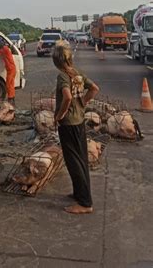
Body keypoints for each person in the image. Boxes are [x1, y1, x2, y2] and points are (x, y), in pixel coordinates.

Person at [52, 45, 99, 214]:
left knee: (73, 161)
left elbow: (67, 97)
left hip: (69, 124)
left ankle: (85, 203)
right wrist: (83, 102)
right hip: (79, 122)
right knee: (81, 159)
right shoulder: (77, 74)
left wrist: (59, 115)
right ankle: (80, 194)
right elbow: (94, 89)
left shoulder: (63, 76)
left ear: (56, 61)